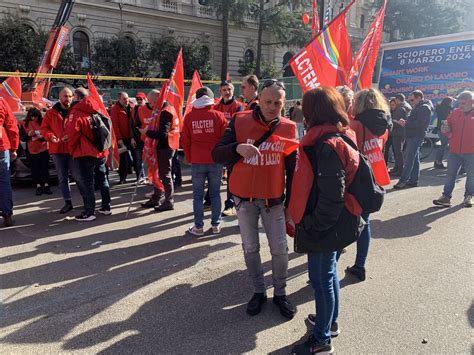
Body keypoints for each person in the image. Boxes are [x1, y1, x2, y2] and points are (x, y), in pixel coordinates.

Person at [212, 79, 298, 320]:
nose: (272, 106)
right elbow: (216, 153)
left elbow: (293, 170)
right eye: (268, 101)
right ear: (258, 99)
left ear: (284, 103)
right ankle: (258, 291)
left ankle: (280, 292)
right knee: (251, 249)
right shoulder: (239, 121)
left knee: (280, 250)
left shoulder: (289, 127)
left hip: (274, 201)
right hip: (244, 200)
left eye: (277, 103)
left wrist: (291, 205)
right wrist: (236, 148)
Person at [288, 86, 362, 355]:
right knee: (327, 277)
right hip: (333, 223)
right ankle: (328, 324)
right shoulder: (337, 136)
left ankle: (321, 340)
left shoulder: (327, 144)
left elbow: (332, 196)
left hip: (325, 225)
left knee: (321, 280)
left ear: (313, 113)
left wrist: (314, 226)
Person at [345, 88, 390, 281]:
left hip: (356, 182)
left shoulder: (354, 125)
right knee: (364, 224)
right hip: (374, 181)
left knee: (346, 224)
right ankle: (360, 265)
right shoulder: (384, 126)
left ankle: (328, 271)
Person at [182, 87, 228, 236]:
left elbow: (185, 141)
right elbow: (224, 140)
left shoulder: (189, 117)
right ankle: (216, 224)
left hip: (197, 161)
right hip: (215, 161)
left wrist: (188, 158)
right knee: (215, 194)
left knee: (197, 195)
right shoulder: (219, 116)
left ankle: (198, 227)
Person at [65, 87, 112, 221]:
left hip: (85, 152)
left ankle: (89, 212)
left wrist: (71, 149)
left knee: (88, 182)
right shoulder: (96, 108)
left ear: (77, 97)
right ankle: (106, 206)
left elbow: (72, 134)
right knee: (103, 179)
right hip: (100, 150)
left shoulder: (77, 112)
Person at [433, 91, 474, 208]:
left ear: (472, 102)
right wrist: (446, 132)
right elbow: (446, 128)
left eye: (463, 103)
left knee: (471, 175)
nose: (460, 106)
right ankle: (446, 197)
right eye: (459, 103)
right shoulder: (455, 113)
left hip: (471, 152)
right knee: (450, 174)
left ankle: (469, 196)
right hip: (454, 151)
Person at [139, 99, 179, 212]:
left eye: (151, 103)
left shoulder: (165, 111)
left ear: (156, 100)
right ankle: (156, 198)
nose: (150, 106)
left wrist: (146, 132)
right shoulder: (165, 109)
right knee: (157, 172)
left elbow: (162, 134)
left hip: (166, 146)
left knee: (164, 174)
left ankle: (168, 201)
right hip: (164, 146)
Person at [213, 80, 245, 216]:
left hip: (231, 145)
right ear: (220, 92)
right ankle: (210, 201)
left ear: (233, 91)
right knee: (214, 175)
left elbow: (236, 123)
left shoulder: (239, 106)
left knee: (231, 177)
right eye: (224, 90)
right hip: (218, 144)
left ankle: (230, 204)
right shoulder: (216, 107)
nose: (227, 92)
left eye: (229, 89)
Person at [41, 87, 74, 213]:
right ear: (59, 97)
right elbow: (44, 129)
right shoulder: (51, 112)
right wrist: (51, 136)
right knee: (62, 178)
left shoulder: (75, 111)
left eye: (70, 96)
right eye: (65, 96)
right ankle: (68, 202)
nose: (68, 98)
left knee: (79, 176)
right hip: (57, 150)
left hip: (72, 149)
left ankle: (86, 201)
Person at [393, 90, 433, 189]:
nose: (411, 102)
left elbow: (419, 124)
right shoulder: (419, 107)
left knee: (409, 159)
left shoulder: (424, 108)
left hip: (416, 136)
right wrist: (406, 122)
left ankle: (403, 181)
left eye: (412, 99)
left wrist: (405, 123)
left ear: (419, 97)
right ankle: (413, 180)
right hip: (413, 135)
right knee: (414, 159)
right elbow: (417, 122)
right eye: (410, 100)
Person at [19, 107, 52, 196]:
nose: (34, 119)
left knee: (44, 168)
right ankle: (38, 186)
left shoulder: (43, 122)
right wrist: (28, 135)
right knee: (35, 169)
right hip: (31, 150)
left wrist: (41, 137)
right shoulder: (24, 124)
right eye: (32, 117)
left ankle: (46, 185)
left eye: (36, 117)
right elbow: (22, 137)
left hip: (43, 148)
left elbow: (48, 134)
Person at [0, 97, 19, 227]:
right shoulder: (1, 101)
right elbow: (12, 126)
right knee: (4, 181)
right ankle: (7, 214)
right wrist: (14, 148)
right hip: (1, 147)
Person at [111, 92, 136, 184]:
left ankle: (139, 176)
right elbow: (115, 125)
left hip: (132, 137)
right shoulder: (115, 109)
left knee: (136, 157)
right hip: (122, 138)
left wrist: (133, 136)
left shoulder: (132, 107)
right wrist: (120, 140)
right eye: (124, 99)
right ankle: (122, 177)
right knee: (123, 160)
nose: (127, 100)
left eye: (127, 98)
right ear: (119, 99)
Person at [389, 93, 411, 177]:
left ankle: (399, 170)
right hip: (399, 133)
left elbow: (400, 122)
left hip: (398, 133)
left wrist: (393, 122)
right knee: (397, 151)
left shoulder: (400, 109)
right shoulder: (402, 108)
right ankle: (397, 167)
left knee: (398, 152)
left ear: (398, 100)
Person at [433, 96, 454, 169]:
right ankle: (438, 162)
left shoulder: (440, 108)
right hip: (445, 129)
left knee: (443, 145)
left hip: (440, 129)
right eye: (451, 102)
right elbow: (447, 119)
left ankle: (437, 161)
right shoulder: (447, 109)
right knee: (444, 146)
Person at [132, 91, 148, 181]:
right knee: (138, 159)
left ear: (145, 99)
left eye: (140, 99)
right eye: (137, 99)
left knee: (151, 159)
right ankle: (141, 177)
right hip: (138, 138)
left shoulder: (149, 108)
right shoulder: (134, 109)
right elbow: (131, 124)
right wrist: (132, 138)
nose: (138, 101)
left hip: (148, 137)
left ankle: (152, 177)